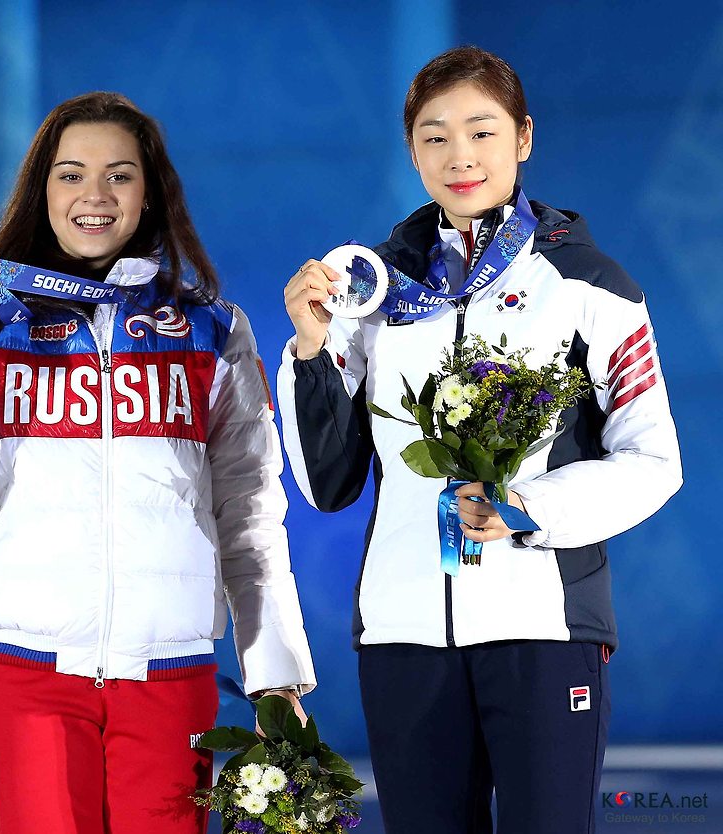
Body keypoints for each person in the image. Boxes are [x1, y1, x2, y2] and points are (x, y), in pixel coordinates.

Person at [277, 46, 682, 834]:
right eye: (434, 137)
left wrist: (527, 506)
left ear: (523, 138)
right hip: (404, 632)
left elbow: (653, 462)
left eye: (481, 131)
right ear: (411, 151)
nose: (459, 156)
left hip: (542, 626)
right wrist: (308, 352)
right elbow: (328, 482)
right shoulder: (372, 291)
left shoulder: (593, 287)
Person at [0, 91, 316, 834]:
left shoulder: (211, 331)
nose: (94, 195)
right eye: (71, 174)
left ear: (150, 192)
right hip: (29, 671)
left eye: (119, 175)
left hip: (170, 672)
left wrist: (275, 674)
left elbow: (250, 511)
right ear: (43, 189)